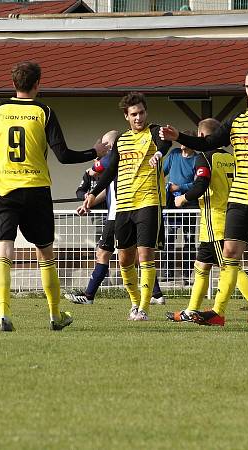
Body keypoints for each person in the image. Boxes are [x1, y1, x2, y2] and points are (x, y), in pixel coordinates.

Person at [159, 66, 248, 326]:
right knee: (230, 252)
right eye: (247, 87)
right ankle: (218, 312)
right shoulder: (237, 119)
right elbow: (208, 142)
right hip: (239, 197)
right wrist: (179, 137)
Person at [0, 61, 105, 332]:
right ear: (37, 84)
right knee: (45, 255)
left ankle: (4, 314)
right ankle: (55, 315)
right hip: (35, 190)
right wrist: (95, 152)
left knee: (3, 252)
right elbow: (64, 156)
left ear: (13, 85)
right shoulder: (43, 111)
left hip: (4, 190)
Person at [166, 118, 248, 324]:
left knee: (230, 267)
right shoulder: (233, 159)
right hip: (230, 216)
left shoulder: (205, 157)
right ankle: (191, 310)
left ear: (202, 137)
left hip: (216, 220)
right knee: (201, 266)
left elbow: (201, 186)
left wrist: (182, 198)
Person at [83, 92, 172, 321]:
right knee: (124, 258)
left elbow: (166, 141)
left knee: (145, 255)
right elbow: (110, 170)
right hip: (124, 204)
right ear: (126, 116)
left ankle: (144, 308)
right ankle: (134, 303)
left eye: (142, 112)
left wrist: (159, 153)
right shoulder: (121, 140)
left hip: (148, 202)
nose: (139, 118)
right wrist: (92, 194)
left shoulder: (153, 131)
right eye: (134, 114)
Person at [68, 130, 166, 306]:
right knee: (136, 255)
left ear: (110, 145)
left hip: (118, 214)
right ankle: (156, 294)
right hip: (124, 211)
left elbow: (94, 170)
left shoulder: (114, 156)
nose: (103, 148)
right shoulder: (119, 163)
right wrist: (87, 203)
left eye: (105, 144)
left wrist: (92, 167)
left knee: (105, 253)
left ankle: (89, 296)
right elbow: (106, 190)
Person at [162, 135, 197, 283]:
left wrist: (180, 187)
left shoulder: (197, 158)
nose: (181, 144)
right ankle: (167, 273)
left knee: (189, 240)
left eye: (184, 141)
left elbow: (198, 183)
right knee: (168, 238)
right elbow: (161, 172)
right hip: (171, 203)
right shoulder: (174, 154)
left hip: (189, 203)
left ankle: (186, 275)